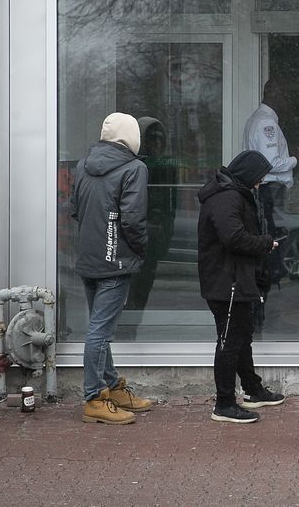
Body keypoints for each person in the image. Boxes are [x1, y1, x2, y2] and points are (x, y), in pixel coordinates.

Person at [71, 112, 153, 425]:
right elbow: (133, 219)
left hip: (90, 258)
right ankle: (94, 397)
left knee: (99, 328)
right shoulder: (135, 168)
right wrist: (141, 249)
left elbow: (76, 210)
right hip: (116, 260)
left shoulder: (82, 165)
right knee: (100, 332)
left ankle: (110, 385)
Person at [197, 150, 286, 424]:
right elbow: (233, 237)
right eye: (258, 178)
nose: (260, 184)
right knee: (229, 341)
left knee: (240, 335)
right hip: (227, 281)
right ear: (248, 176)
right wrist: (264, 243)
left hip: (234, 279)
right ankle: (224, 403)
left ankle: (252, 388)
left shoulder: (231, 193)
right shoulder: (227, 197)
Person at [244, 79, 298, 333]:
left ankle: (263, 312)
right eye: (285, 94)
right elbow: (271, 163)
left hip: (269, 191)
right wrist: (297, 159)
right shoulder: (266, 123)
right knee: (273, 248)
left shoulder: (261, 120)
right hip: (271, 190)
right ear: (273, 94)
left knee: (273, 247)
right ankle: (263, 313)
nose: (288, 101)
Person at [124, 118, 178, 325]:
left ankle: (131, 326)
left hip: (155, 233)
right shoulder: (133, 166)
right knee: (129, 287)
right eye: (152, 139)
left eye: (161, 139)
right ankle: (126, 327)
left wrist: (165, 233)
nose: (157, 144)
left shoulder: (166, 166)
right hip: (135, 235)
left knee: (143, 286)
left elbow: (171, 204)